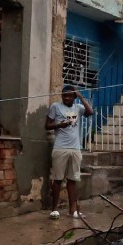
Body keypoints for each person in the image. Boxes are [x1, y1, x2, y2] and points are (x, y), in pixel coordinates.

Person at [45, 84, 94, 220]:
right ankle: (54, 210)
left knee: (72, 180)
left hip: (75, 148)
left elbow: (90, 112)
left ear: (74, 97)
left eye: (69, 96)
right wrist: (59, 125)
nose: (66, 98)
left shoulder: (78, 108)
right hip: (60, 148)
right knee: (58, 180)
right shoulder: (55, 107)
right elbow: (47, 125)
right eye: (64, 95)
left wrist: (80, 96)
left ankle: (73, 210)